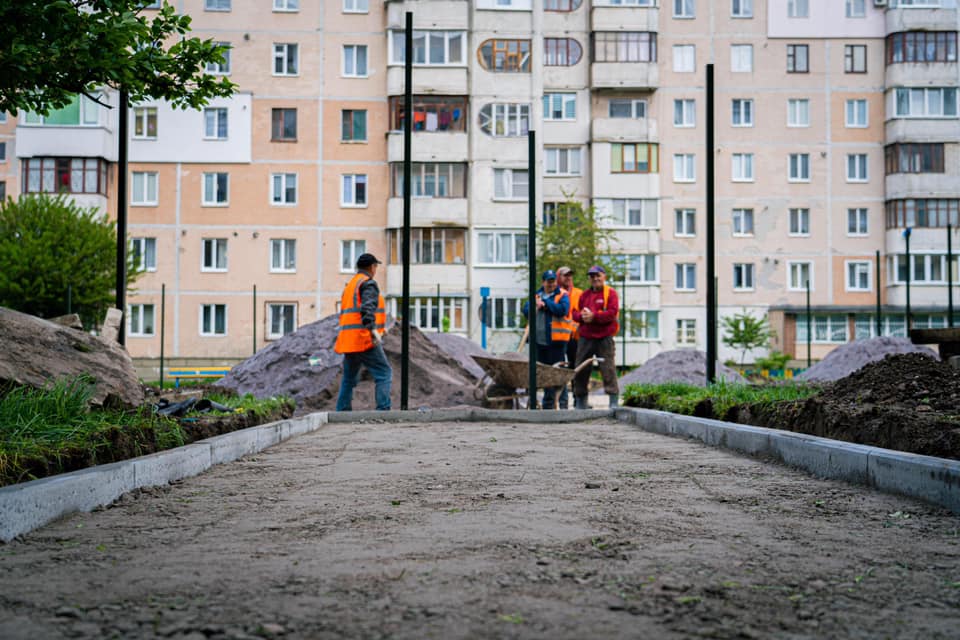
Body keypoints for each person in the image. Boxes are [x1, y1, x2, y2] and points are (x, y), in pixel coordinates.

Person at [334, 253, 392, 411]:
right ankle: (383, 410)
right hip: (364, 339)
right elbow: (367, 309)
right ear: (372, 267)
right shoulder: (368, 284)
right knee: (384, 373)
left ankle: (342, 412)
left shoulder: (351, 285)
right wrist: (373, 331)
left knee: (348, 378)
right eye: (376, 267)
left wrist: (380, 329)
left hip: (349, 340)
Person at [522, 270, 572, 409]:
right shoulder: (536, 296)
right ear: (543, 282)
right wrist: (535, 305)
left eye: (553, 281)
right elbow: (526, 311)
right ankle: (547, 405)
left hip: (556, 343)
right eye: (548, 281)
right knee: (543, 375)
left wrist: (546, 303)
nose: (551, 284)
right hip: (538, 343)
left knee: (558, 375)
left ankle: (562, 405)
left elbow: (562, 310)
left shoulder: (562, 295)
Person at [571, 265, 620, 410]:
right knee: (580, 369)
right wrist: (582, 316)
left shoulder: (610, 293)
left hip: (604, 338)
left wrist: (594, 316)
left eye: (598, 275)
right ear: (589, 279)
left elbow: (612, 313)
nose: (595, 278)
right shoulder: (584, 295)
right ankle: (581, 402)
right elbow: (575, 313)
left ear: (604, 276)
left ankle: (613, 402)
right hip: (585, 337)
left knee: (608, 369)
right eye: (592, 276)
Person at [556, 266, 582, 410]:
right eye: (565, 275)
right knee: (560, 369)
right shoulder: (556, 293)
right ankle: (561, 401)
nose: (568, 278)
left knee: (575, 369)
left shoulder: (579, 293)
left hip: (575, 337)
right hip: (559, 337)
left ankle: (578, 399)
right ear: (558, 277)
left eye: (570, 275)